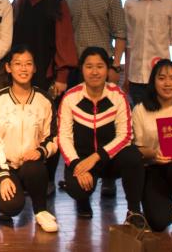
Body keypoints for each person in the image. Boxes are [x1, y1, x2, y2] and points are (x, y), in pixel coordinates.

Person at [58, 46, 146, 227]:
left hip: (109, 159)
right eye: (89, 66)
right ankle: (83, 200)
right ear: (82, 69)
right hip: (82, 160)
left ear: (107, 69)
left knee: (133, 156)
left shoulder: (118, 95)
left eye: (100, 66)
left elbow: (125, 135)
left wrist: (97, 156)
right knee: (77, 189)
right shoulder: (70, 97)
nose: (94, 72)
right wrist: (76, 164)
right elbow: (64, 137)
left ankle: (134, 210)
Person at [0, 45, 60, 233]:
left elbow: (53, 136)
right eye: (18, 64)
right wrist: (3, 175)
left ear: (35, 68)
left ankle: (41, 211)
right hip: (6, 166)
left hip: (32, 165)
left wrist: (41, 151)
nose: (23, 68)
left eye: (28, 64)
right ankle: (4, 198)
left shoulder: (44, 100)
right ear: (8, 67)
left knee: (35, 168)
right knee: (11, 206)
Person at [131, 59, 172, 233]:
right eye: (161, 78)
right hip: (153, 168)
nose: (167, 83)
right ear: (153, 81)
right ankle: (163, 205)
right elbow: (137, 148)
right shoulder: (140, 110)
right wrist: (154, 154)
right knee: (159, 222)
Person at [11, 0, 77, 98]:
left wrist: (62, 76)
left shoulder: (58, 4)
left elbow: (64, 41)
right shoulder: (16, 4)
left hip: (46, 73)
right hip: (18, 73)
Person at [61, 0, 127, 84]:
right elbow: (64, 35)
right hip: (75, 65)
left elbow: (120, 34)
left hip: (103, 65)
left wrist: (115, 66)